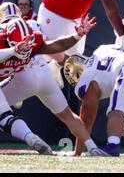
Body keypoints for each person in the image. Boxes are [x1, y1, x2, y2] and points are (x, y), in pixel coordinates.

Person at [0, 15, 109, 156]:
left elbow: (54, 46)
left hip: (29, 75)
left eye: (27, 44)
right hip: (37, 74)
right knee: (68, 115)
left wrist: (77, 35)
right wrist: (13, 50)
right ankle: (91, 146)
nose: (25, 50)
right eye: (20, 46)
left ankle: (93, 149)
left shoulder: (31, 39)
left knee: (4, 117)